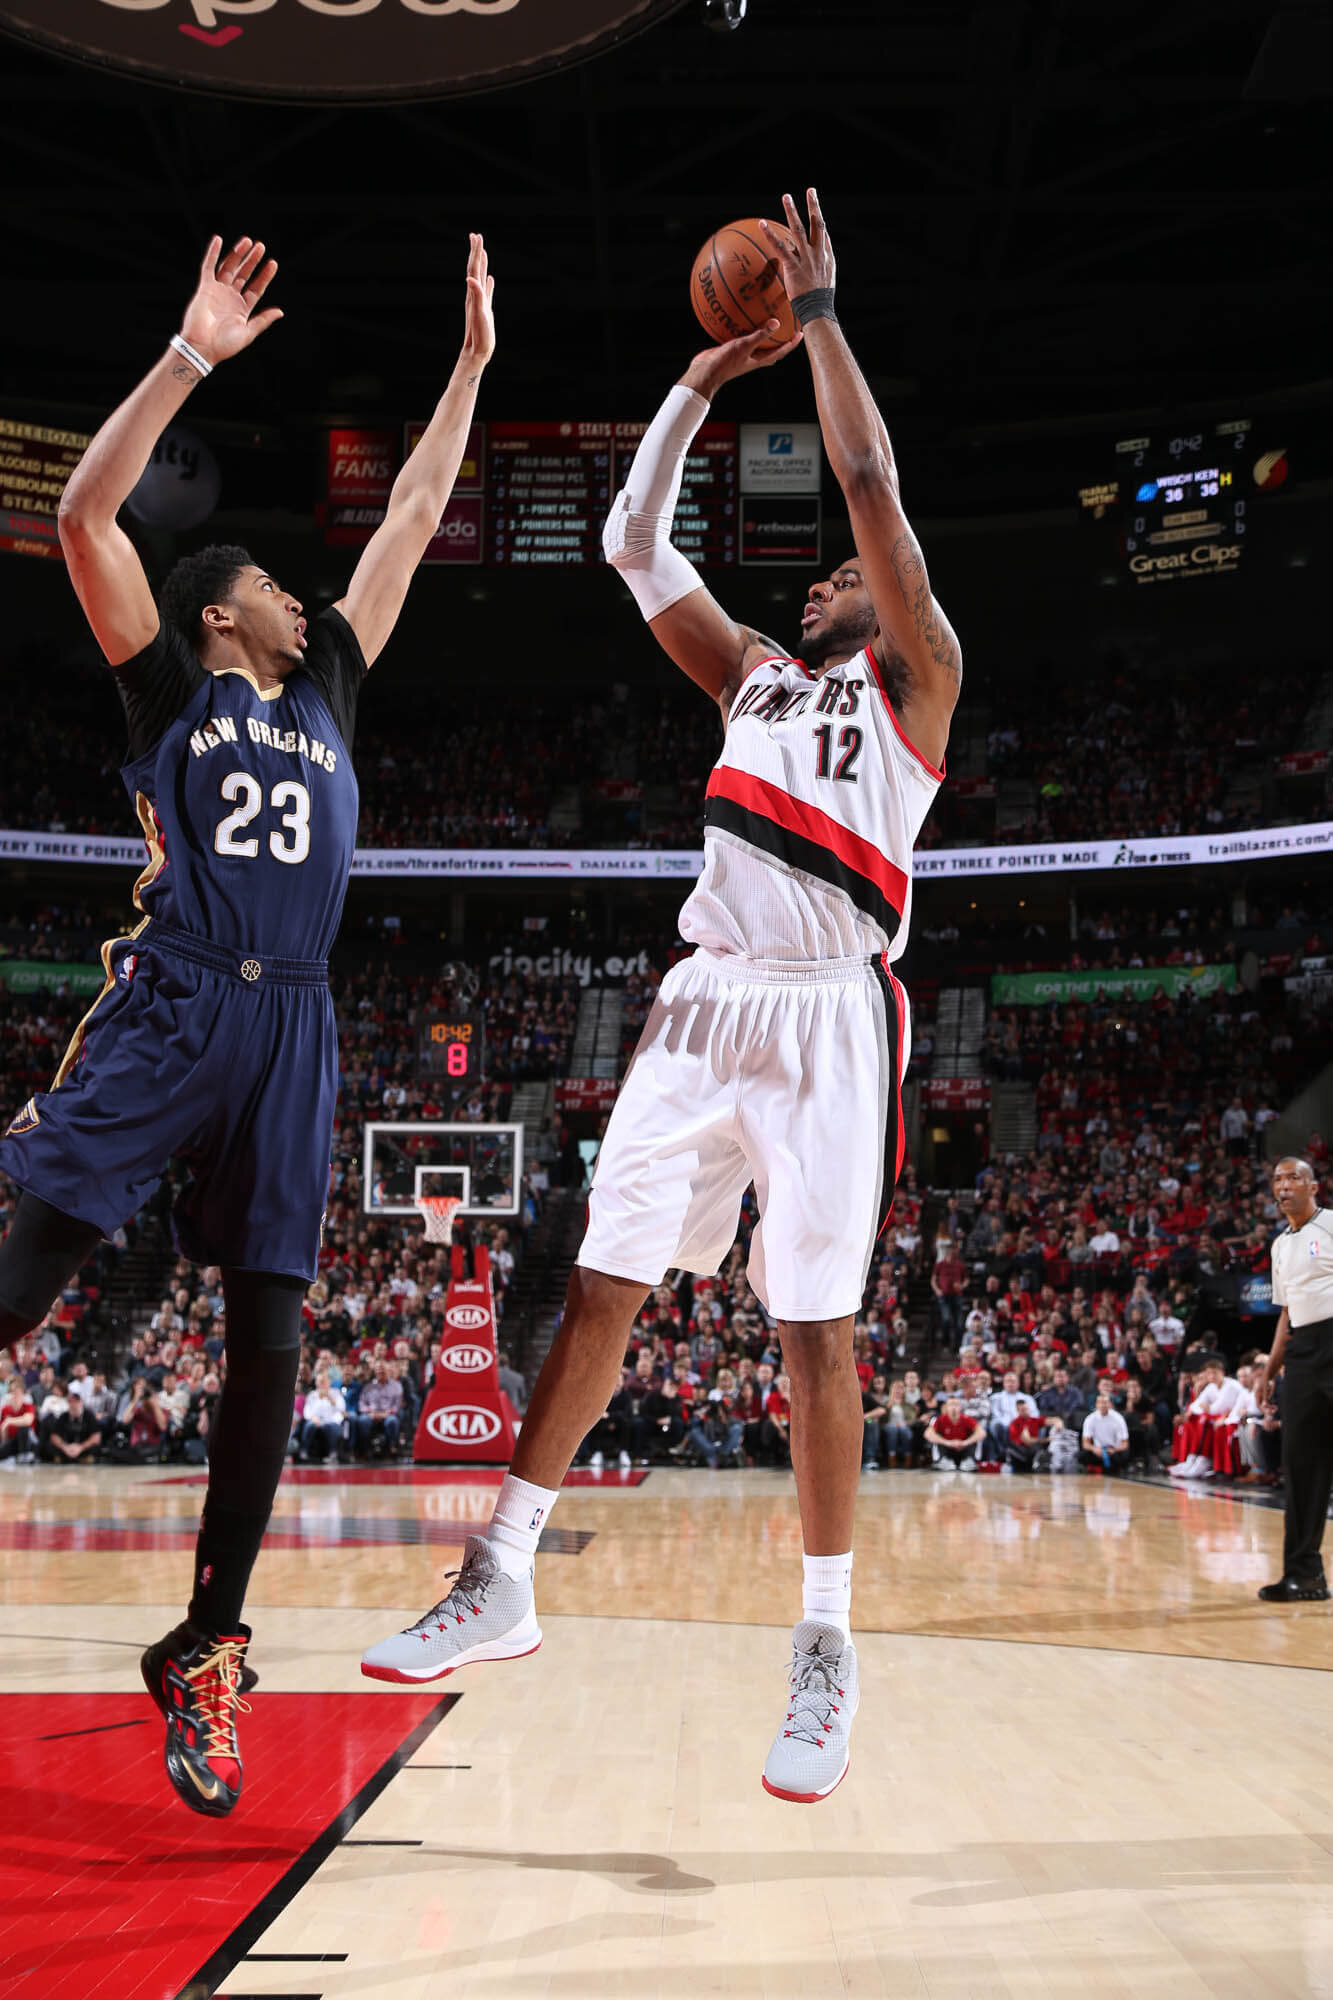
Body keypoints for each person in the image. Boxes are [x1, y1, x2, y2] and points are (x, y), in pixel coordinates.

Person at [364, 189, 961, 1807]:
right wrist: (703, 379)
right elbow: (634, 542)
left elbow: (867, 481)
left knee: (812, 1329)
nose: (834, 577)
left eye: (853, 575)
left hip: (835, 1008)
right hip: (704, 1001)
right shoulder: (753, 674)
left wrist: (819, 322)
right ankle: (502, 1571)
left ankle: (824, 1645)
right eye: (825, 578)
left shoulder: (917, 682)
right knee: (605, 1279)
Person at [0, 229, 495, 1815]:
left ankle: (207, 1643)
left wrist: (474, 368)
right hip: (178, 999)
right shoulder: (172, 690)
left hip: (298, 1033)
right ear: (221, 619)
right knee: (26, 1282)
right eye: (276, 586)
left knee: (269, 1344)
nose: (303, 597)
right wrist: (192, 356)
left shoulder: (332, 689)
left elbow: (413, 517)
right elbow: (83, 514)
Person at [1257, 1158, 1333, 1600]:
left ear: (1314, 1186)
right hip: (1303, 1352)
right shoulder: (1280, 1246)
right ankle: (1304, 1575)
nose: (1284, 1186)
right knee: (1302, 1466)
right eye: (1278, 1180)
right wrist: (1269, 1370)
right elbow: (1286, 1313)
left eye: (1293, 1178)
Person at [1081, 1390, 1130, 1474]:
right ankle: (1093, 1469)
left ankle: (1117, 1470)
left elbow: (1125, 1444)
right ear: (1096, 1404)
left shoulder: (1118, 1418)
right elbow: (1085, 1443)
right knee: (1082, 1455)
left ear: (1110, 1404)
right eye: (1100, 1402)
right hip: (1098, 1450)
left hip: (1114, 1450)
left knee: (1125, 1455)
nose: (1103, 1405)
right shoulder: (1090, 1419)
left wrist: (1114, 1450)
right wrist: (1095, 1449)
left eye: (1105, 1402)